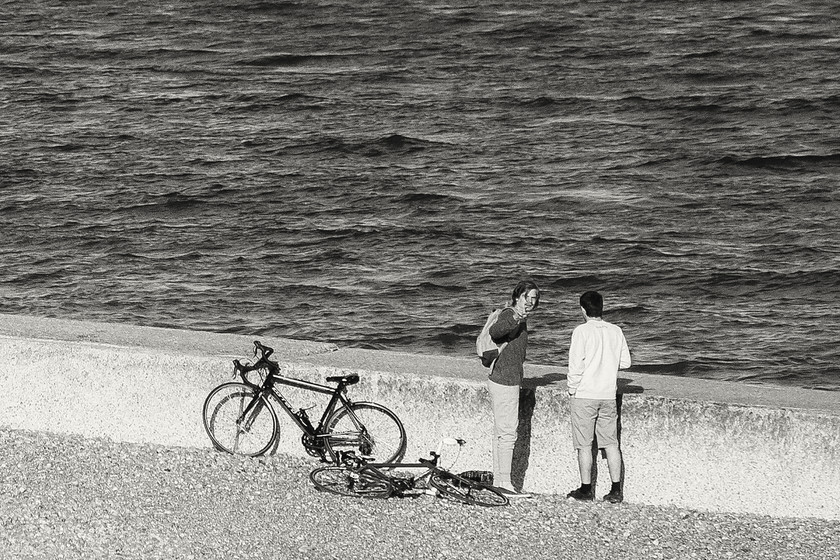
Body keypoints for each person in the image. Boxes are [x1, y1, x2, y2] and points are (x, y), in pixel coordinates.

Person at [566, 290, 631, 504]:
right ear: (602, 307)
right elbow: (625, 363)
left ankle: (586, 489)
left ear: (583, 310)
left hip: (585, 394)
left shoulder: (581, 331)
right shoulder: (616, 331)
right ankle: (616, 489)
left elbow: (575, 366)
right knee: (611, 443)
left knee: (584, 445)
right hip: (608, 395)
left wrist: (572, 389)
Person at [487, 280, 540, 499]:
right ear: (517, 297)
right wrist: (517, 316)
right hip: (505, 381)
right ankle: (505, 483)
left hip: (502, 378)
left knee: (501, 432)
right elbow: (496, 331)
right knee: (508, 433)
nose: (530, 302)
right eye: (527, 297)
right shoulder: (510, 314)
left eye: (534, 299)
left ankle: (499, 480)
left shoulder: (518, 317)